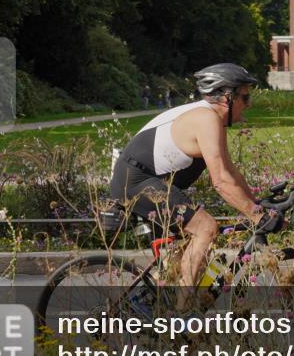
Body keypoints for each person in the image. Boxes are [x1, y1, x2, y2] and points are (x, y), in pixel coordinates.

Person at [109, 63, 274, 309]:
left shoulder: (210, 119)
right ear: (227, 97)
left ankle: (160, 305)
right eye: (245, 96)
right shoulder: (206, 119)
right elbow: (220, 181)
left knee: (195, 253)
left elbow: (231, 173)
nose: (248, 103)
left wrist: (257, 207)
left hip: (147, 179)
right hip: (136, 181)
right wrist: (255, 214)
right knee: (205, 228)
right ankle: (182, 315)